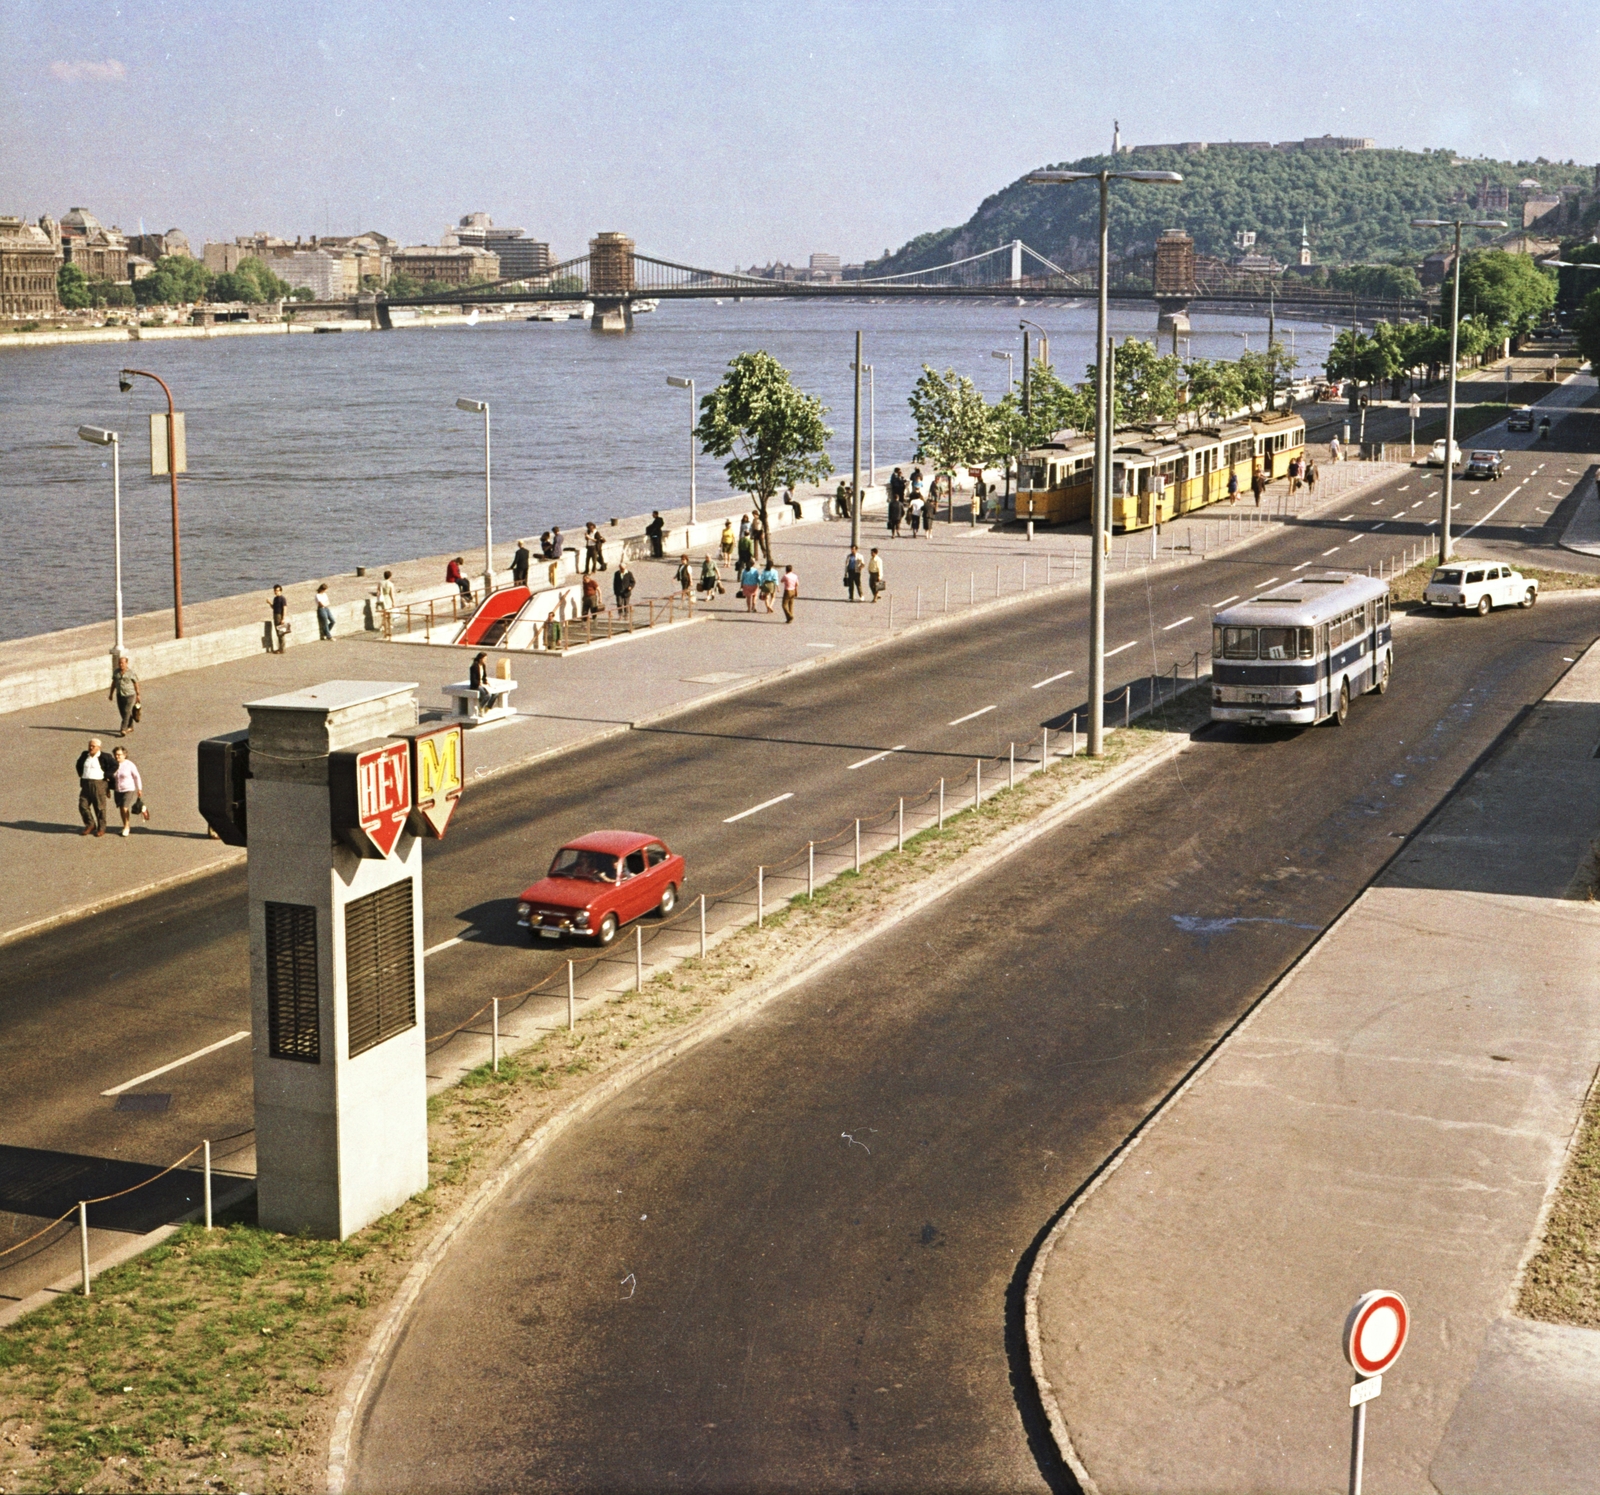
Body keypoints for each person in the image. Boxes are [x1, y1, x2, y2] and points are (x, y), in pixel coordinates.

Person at [76, 736, 115, 837]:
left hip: (99, 784)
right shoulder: (85, 755)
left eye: (93, 746)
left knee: (100, 807)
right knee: (82, 805)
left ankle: (101, 828)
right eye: (90, 746)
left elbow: (114, 765)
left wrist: (107, 776)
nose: (91, 748)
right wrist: (81, 774)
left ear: (99, 747)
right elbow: (78, 764)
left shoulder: (105, 757)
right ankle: (90, 824)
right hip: (86, 783)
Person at [111, 745, 146, 836]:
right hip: (117, 790)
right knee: (121, 808)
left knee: (124, 807)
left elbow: (136, 776)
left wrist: (139, 788)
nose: (117, 756)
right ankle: (125, 825)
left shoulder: (129, 764)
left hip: (128, 789)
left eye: (119, 755)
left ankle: (127, 827)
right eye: (115, 754)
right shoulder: (112, 764)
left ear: (124, 755)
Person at [109, 653, 139, 736]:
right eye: (119, 663)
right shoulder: (116, 672)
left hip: (129, 694)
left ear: (126, 663)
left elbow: (135, 683)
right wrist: (111, 693)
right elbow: (114, 683)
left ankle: (123, 729)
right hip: (120, 694)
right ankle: (130, 726)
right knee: (123, 712)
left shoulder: (131, 672)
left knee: (126, 711)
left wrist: (138, 694)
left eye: (122, 663)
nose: (121, 664)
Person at [270, 584, 290, 652]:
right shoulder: (275, 599)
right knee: (278, 633)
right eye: (275, 590)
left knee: (281, 633)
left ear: (280, 591)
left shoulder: (282, 599)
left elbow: (285, 608)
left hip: (279, 616)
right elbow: (274, 608)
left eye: (277, 590)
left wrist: (283, 618)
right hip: (275, 615)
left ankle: (282, 649)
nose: (276, 592)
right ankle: (280, 648)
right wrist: (269, 603)